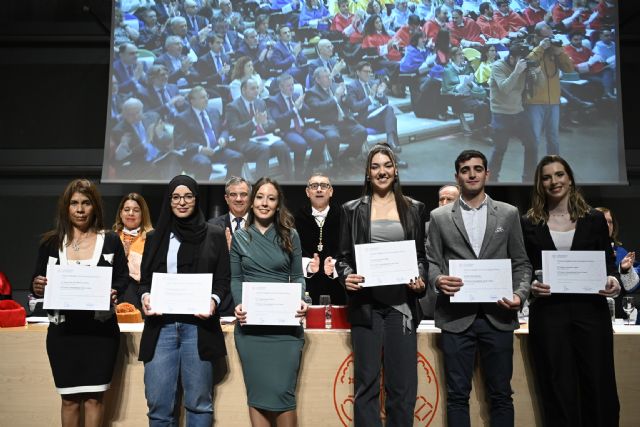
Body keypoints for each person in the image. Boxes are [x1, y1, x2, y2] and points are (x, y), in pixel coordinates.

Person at [426, 150, 532, 426]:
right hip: (456, 319)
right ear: (457, 176)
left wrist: (519, 295)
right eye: (465, 169)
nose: (471, 174)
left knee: (501, 395)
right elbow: (432, 264)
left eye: (477, 169)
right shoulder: (439, 217)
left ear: (487, 173)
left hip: (498, 317)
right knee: (457, 396)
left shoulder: (508, 214)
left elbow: (522, 264)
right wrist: (438, 280)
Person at [520, 155, 620, 427]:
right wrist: (530, 287)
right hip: (549, 314)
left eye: (559, 174)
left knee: (598, 382)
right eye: (547, 176)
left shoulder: (595, 218)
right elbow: (524, 266)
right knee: (556, 384)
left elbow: (608, 262)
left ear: (570, 178)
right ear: (539, 184)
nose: (554, 181)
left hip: (591, 313)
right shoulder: (529, 221)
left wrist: (613, 280)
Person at [336, 143, 427, 426]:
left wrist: (420, 279)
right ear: (367, 173)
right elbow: (342, 258)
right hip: (367, 307)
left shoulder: (414, 208)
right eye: (375, 166)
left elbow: (421, 258)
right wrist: (346, 275)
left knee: (402, 389)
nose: (381, 171)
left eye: (387, 165)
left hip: (402, 308)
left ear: (396, 170)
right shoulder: (351, 209)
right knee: (366, 386)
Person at [31, 179, 128, 427]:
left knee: (95, 398)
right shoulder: (50, 243)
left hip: (100, 332)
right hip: (63, 333)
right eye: (74, 203)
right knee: (69, 400)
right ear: (66, 208)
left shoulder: (110, 241)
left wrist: (114, 292)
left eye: (86, 203)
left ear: (95, 207)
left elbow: (122, 279)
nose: (80, 209)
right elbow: (36, 280)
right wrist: (37, 285)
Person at [138, 174, 230, 426]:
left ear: (196, 199)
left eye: (188, 196)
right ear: (169, 201)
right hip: (161, 328)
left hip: (198, 329)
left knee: (199, 405)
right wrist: (145, 297)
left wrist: (213, 299)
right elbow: (144, 281)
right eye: (176, 197)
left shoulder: (214, 235)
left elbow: (223, 280)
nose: (182, 202)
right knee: (158, 406)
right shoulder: (154, 237)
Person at [231, 177, 308, 426]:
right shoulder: (240, 237)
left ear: (278, 205)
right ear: (252, 202)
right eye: (260, 197)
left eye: (271, 198)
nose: (265, 203)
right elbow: (236, 278)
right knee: (257, 396)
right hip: (251, 330)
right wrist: (240, 304)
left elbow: (297, 275)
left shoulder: (290, 235)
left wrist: (300, 300)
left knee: (284, 395)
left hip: (284, 329)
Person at [488, 42, 538, 182]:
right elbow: (505, 88)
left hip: (518, 112)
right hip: (501, 114)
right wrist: (517, 71)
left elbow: (535, 89)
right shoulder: (498, 67)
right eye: (520, 59)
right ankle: (492, 182)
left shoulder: (523, 68)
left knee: (532, 145)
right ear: (511, 58)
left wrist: (535, 75)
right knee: (500, 150)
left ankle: (529, 180)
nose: (523, 62)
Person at [225, 78, 293, 180]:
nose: (256, 91)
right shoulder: (233, 107)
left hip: (262, 137)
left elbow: (273, 123)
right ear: (243, 90)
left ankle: (290, 180)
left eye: (257, 88)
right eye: (253, 88)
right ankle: (261, 184)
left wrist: (265, 123)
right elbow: (235, 130)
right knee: (263, 149)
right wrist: (253, 122)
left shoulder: (260, 103)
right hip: (243, 140)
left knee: (282, 145)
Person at [294, 173, 346, 305]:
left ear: (331, 191)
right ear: (307, 192)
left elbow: (351, 251)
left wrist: (336, 267)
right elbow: (289, 254)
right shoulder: (295, 219)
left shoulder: (345, 217)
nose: (319, 189)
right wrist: (307, 266)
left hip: (338, 286)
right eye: (314, 186)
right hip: (306, 287)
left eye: (323, 186)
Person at [172, 86, 245, 180]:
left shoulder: (214, 111)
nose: (207, 99)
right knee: (204, 164)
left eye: (207, 96)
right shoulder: (182, 118)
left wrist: (223, 138)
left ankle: (228, 187)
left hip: (217, 150)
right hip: (197, 154)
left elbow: (225, 129)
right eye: (203, 97)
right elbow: (180, 144)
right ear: (192, 101)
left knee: (237, 157)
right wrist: (200, 148)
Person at [304, 66, 368, 174]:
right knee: (333, 137)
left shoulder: (334, 86)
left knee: (361, 131)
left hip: (344, 121)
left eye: (329, 75)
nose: (329, 78)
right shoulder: (312, 93)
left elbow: (349, 104)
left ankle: (345, 157)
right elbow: (318, 107)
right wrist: (336, 97)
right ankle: (336, 162)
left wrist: (345, 97)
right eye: (325, 77)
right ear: (317, 80)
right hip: (327, 124)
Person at [525, 22, 574, 157]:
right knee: (534, 138)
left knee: (554, 138)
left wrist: (560, 53)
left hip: (553, 101)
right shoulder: (530, 48)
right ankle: (531, 169)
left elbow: (569, 69)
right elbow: (527, 63)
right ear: (537, 36)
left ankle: (554, 165)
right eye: (545, 37)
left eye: (550, 36)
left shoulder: (555, 51)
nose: (549, 40)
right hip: (534, 101)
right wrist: (540, 48)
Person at [267, 73, 329, 179]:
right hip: (287, 130)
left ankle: (309, 171)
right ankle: (298, 174)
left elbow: (309, 113)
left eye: (292, 85)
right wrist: (294, 110)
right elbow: (278, 120)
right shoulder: (274, 100)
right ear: (281, 87)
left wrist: (301, 107)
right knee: (301, 144)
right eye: (288, 85)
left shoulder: (295, 96)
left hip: (302, 127)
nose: (291, 88)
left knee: (320, 139)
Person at [419, 184, 460, 319]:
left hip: (460, 292)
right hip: (431, 296)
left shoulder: (468, 229)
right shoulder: (424, 229)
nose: (444, 203)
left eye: (449, 199)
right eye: (441, 199)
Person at [346, 61, 404, 156]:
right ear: (358, 72)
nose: (369, 74)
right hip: (364, 118)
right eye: (366, 71)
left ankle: (392, 145)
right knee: (390, 115)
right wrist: (371, 97)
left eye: (370, 72)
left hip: (377, 117)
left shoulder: (374, 83)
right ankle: (392, 146)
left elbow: (385, 102)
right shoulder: (351, 86)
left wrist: (380, 93)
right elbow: (355, 107)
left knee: (390, 115)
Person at [595, 206, 640, 320]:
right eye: (602, 221)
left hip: (616, 314)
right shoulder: (577, 249)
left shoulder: (621, 252)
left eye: (610, 222)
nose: (607, 225)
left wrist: (626, 270)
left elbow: (631, 288)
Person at [112, 192, 153, 308]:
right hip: (113, 294)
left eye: (136, 210)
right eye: (127, 209)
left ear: (142, 214)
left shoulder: (151, 238)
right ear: (120, 213)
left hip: (139, 296)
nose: (131, 213)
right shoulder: (110, 237)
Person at [442, 47, 491, 139]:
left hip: (469, 95)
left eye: (462, 54)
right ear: (453, 56)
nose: (462, 56)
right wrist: (460, 87)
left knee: (488, 102)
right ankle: (481, 130)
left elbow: (475, 83)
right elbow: (447, 89)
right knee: (481, 105)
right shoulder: (448, 70)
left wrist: (471, 85)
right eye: (459, 54)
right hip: (457, 99)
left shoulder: (467, 68)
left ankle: (483, 128)